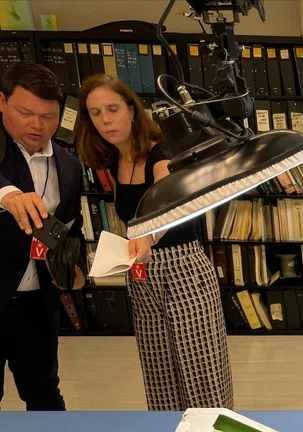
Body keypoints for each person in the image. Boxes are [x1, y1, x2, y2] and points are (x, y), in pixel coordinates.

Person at [75, 74, 234, 411]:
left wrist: (147, 235)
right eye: (95, 113)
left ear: (132, 110)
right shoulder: (113, 161)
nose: (105, 120)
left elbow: (166, 200)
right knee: (160, 378)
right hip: (141, 275)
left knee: (202, 378)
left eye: (112, 109)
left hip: (183, 270)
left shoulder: (161, 153)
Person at [0, 62, 85, 411]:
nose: (37, 125)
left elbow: (72, 228)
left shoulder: (68, 165)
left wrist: (75, 268)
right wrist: (8, 195)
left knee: (44, 394)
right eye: (26, 113)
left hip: (37, 305)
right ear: (2, 102)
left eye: (49, 116)